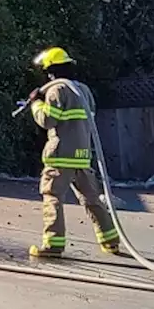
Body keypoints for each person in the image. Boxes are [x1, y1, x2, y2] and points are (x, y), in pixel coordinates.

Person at [24, 46, 122, 258]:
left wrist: (35, 104)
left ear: (51, 71)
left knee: (52, 196)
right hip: (82, 156)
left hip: (60, 156)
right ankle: (111, 241)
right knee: (92, 199)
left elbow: (47, 120)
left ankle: (53, 245)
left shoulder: (56, 91)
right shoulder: (84, 91)